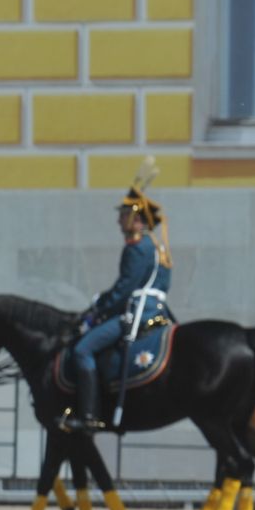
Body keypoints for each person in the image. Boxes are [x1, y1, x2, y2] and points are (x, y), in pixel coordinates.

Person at [62, 174, 171, 433]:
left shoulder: (137, 248)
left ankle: (89, 415)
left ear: (138, 220)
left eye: (124, 214)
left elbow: (125, 290)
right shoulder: (156, 246)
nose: (119, 220)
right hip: (157, 310)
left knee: (83, 349)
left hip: (136, 313)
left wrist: (98, 310)